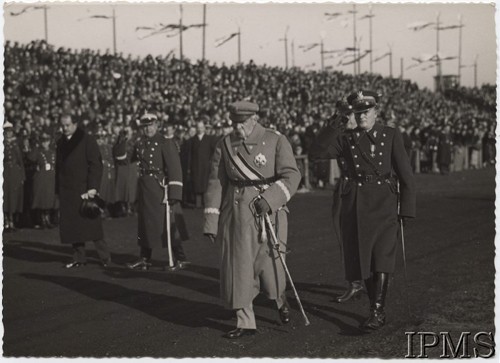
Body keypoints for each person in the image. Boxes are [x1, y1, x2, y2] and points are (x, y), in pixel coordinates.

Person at [309, 91, 416, 331]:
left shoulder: (390, 135)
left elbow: (406, 174)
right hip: (357, 204)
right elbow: (316, 152)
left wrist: (407, 209)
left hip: (385, 203)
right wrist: (337, 120)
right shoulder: (345, 137)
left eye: (366, 112)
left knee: (382, 257)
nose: (362, 116)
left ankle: (377, 311)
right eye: (358, 113)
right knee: (365, 258)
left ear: (376, 112)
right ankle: (374, 307)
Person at [203, 101, 301, 339]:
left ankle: (279, 299)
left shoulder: (276, 140)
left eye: (242, 123)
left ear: (254, 119)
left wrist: (271, 198)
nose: (237, 128)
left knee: (270, 267)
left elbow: (292, 174)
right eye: (234, 123)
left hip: (269, 214)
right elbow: (216, 183)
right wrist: (211, 220)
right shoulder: (224, 145)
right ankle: (245, 321)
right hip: (236, 216)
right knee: (239, 268)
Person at [125, 113, 186, 271]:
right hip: (145, 188)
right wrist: (121, 141)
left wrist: (174, 193)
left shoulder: (165, 142)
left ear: (157, 125)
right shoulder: (140, 144)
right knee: (145, 224)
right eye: (145, 126)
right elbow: (127, 160)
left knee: (168, 222)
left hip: (160, 188)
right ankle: (145, 258)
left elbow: (174, 168)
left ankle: (180, 258)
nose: (148, 129)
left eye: (151, 125)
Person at [55, 115, 111, 268]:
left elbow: (96, 165)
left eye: (67, 125)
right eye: (62, 125)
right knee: (73, 226)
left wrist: (92, 188)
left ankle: (105, 257)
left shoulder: (87, 140)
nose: (64, 128)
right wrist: (57, 189)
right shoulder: (60, 142)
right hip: (67, 190)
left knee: (92, 224)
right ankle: (79, 257)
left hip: (84, 190)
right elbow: (58, 168)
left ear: (75, 124)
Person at [27, 133, 57, 228]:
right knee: (42, 199)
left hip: (51, 178)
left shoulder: (53, 152)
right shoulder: (38, 152)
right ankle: (43, 220)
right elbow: (30, 158)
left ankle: (48, 219)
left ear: (50, 141)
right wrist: (36, 146)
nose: (45, 143)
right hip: (41, 178)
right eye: (43, 141)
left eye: (47, 141)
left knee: (49, 199)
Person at [189, 118, 218, 208]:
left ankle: (206, 204)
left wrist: (211, 162)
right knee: (197, 184)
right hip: (196, 166)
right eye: (198, 127)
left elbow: (214, 152)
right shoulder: (192, 140)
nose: (200, 129)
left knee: (206, 184)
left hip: (206, 166)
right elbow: (190, 154)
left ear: (204, 128)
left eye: (201, 127)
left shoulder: (209, 139)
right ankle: (198, 204)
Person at [3, 121, 25, 231]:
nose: (9, 134)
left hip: (14, 173)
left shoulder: (16, 144)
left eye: (10, 132)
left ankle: (12, 221)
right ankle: (6, 221)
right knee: (5, 197)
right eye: (7, 132)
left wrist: (22, 175)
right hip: (5, 172)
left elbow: (20, 161)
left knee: (13, 197)